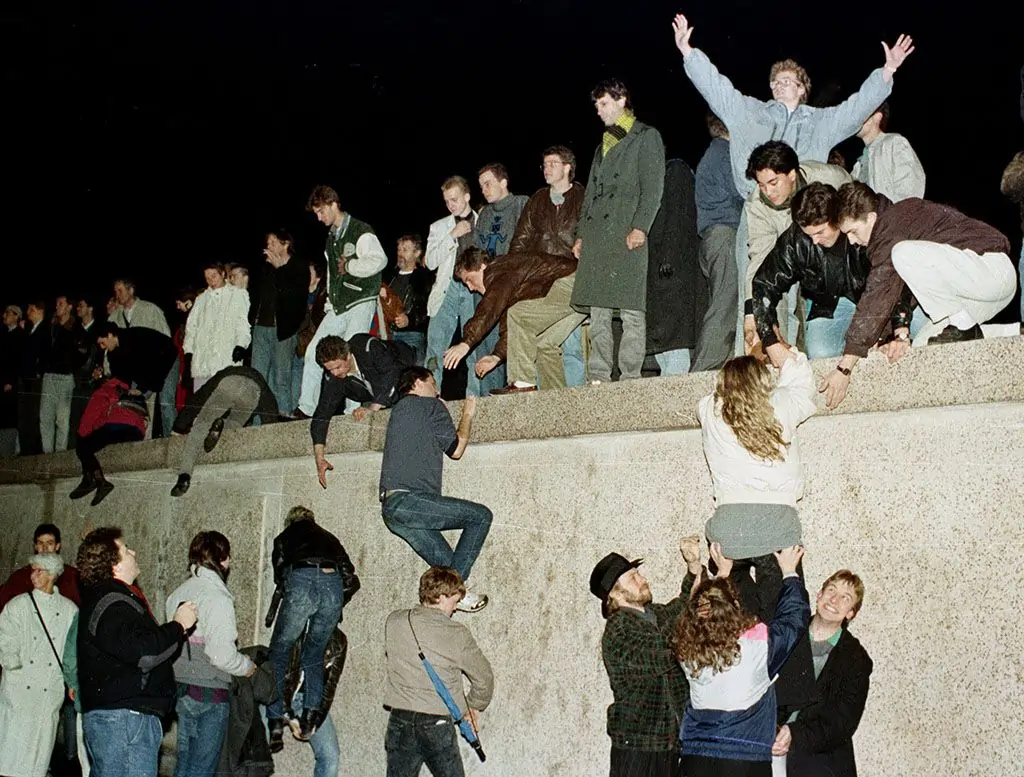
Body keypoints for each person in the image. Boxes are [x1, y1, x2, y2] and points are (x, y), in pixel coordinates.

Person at [820, 181, 1016, 409]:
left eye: (853, 231)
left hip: (992, 271)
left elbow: (878, 294)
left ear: (871, 218)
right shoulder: (895, 230)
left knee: (902, 253)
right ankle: (1010, 331)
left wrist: (846, 365)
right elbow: (898, 290)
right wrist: (889, 338)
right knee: (925, 343)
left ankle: (964, 326)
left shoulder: (897, 219)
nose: (852, 241)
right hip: (975, 294)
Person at [697, 348, 817, 715]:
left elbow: (710, 398)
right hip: (776, 524)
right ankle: (790, 695)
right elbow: (801, 377)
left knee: (738, 614)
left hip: (729, 527)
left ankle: (734, 684)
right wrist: (775, 359)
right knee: (783, 609)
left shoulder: (710, 410)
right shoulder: (780, 403)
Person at [674, 546, 809, 777]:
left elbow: (706, 611)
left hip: (694, 760)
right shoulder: (755, 649)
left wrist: (722, 576)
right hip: (742, 760)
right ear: (736, 608)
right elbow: (793, 619)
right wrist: (789, 573)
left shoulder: (687, 653)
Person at [76, 527, 198, 777]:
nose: (133, 551)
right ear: (114, 565)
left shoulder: (111, 600)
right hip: (125, 722)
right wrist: (178, 625)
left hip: (121, 720)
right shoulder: (113, 602)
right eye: (125, 548)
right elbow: (145, 654)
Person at [572, 78, 665, 383]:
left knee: (631, 310)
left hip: (627, 234)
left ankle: (630, 376)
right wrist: (581, 235)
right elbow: (590, 194)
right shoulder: (603, 145)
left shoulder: (646, 137)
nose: (599, 111)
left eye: (604, 104)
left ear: (622, 99)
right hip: (598, 237)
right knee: (598, 311)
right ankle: (598, 374)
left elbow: (653, 188)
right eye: (597, 106)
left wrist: (640, 227)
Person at [589, 536, 703, 777]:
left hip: (667, 745)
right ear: (615, 594)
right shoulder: (619, 630)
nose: (643, 579)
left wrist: (693, 566)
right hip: (639, 748)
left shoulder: (654, 614)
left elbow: (683, 604)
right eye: (633, 578)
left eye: (638, 574)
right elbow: (665, 653)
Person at [379, 367, 491, 612]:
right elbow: (456, 450)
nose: (437, 390)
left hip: (391, 509)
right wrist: (467, 415)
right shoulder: (430, 405)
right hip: (410, 501)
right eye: (433, 383)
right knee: (481, 516)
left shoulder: (398, 410)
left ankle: (457, 595)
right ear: (418, 382)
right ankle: (456, 594)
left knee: (448, 565)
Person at [383, 566, 494, 777]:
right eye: (454, 601)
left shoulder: (394, 621)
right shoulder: (456, 633)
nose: (455, 609)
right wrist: (474, 706)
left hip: (399, 721)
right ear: (442, 597)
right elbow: (484, 677)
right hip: (436, 724)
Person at [166, 531, 257, 777]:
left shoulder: (178, 593)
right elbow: (222, 655)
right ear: (223, 559)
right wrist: (247, 667)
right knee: (202, 769)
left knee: (184, 762)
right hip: (210, 692)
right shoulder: (217, 596)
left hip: (182, 688)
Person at [267, 506, 358, 745]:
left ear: (290, 522)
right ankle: (309, 715)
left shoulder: (284, 537)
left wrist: (298, 601)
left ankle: (275, 722)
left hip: (302, 579)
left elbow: (280, 576)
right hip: (333, 586)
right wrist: (336, 603)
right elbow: (350, 576)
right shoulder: (329, 537)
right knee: (315, 654)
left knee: (279, 652)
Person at [773, 570, 873, 777]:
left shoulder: (856, 659)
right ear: (819, 595)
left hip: (818, 760)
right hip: (768, 750)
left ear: (851, 613)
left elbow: (842, 722)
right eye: (831, 591)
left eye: (845, 598)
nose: (834, 600)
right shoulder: (786, 634)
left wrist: (795, 734)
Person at [443, 247, 583, 393]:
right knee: (542, 345)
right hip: (576, 294)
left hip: (573, 282)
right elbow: (515, 331)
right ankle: (556, 400)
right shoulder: (508, 286)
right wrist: (496, 357)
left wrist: (465, 343)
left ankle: (522, 383)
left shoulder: (499, 269)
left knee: (518, 315)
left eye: (469, 280)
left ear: (482, 266)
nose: (471, 288)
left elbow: (489, 308)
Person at [0, 552, 78, 777]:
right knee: (14, 750)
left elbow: (71, 649)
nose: (33, 575)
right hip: (20, 688)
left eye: (38, 571)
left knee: (39, 748)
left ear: (52, 575)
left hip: (48, 690)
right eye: (32, 570)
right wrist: (12, 663)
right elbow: (5, 637)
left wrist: (70, 679)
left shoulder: (69, 610)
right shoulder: (19, 605)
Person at [310, 334, 415, 488]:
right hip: (378, 389)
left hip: (409, 365)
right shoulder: (334, 376)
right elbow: (322, 414)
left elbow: (394, 374)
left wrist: (372, 408)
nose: (335, 373)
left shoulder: (367, 346)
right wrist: (319, 458)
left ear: (348, 355)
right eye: (329, 369)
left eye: (338, 367)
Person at [169, 365, 280, 497]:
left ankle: (184, 476)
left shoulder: (224, 373)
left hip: (229, 383)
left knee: (202, 424)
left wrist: (179, 426)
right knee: (235, 424)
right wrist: (272, 428)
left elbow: (198, 399)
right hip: (253, 391)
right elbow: (270, 405)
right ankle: (221, 429)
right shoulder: (258, 377)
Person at [70, 377, 149, 505]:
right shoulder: (126, 390)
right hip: (137, 431)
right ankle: (88, 478)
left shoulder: (103, 391)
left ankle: (98, 480)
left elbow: (89, 419)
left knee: (83, 446)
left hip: (117, 425)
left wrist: (82, 435)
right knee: (91, 443)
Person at [183, 263, 252, 392]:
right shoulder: (201, 299)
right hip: (202, 362)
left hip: (225, 359)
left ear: (223, 274)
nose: (211, 281)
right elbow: (191, 328)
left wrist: (241, 345)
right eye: (207, 278)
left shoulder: (238, 295)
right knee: (201, 404)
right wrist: (188, 354)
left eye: (214, 276)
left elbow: (242, 323)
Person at [0, 523, 81, 612]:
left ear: (57, 546)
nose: (45, 548)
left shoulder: (72, 575)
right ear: (35, 546)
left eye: (49, 543)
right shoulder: (20, 576)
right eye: (40, 543)